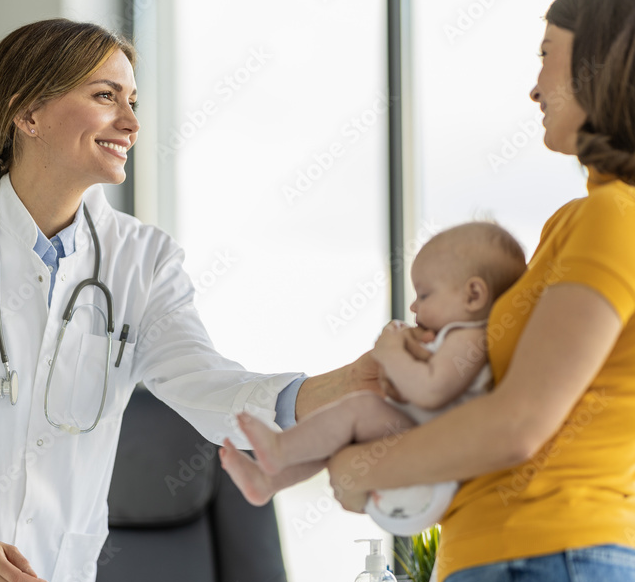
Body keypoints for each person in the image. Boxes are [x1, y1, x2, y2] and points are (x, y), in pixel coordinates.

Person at [0, 18, 379, 582]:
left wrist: (349, 384)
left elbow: (212, 389)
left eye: (133, 101)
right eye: (105, 96)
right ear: (28, 113)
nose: (132, 123)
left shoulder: (143, 261)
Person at [325, 0, 635, 582]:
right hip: (551, 577)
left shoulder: (618, 217)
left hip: (551, 572)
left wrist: (361, 467)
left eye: (546, 55)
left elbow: (518, 423)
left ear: (607, 64)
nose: (534, 87)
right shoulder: (601, 218)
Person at [219, 222, 526, 536]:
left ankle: (280, 450)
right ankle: (268, 480)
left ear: (473, 295)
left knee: (358, 409)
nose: (414, 306)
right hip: (420, 440)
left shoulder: (469, 338)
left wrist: (390, 350)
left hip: (433, 459)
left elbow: (431, 390)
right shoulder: (451, 337)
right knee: (339, 431)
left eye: (425, 294)